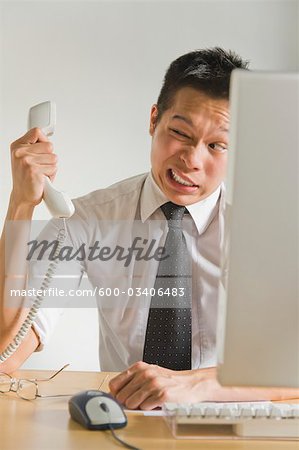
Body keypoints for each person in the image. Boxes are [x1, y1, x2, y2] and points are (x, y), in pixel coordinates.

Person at [0, 47, 298, 410]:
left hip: (227, 422)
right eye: (180, 133)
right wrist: (21, 204)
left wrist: (194, 385)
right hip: (125, 422)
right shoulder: (88, 221)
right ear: (154, 120)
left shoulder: (264, 232)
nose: (192, 160)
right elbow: (6, 354)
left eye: (217, 145)